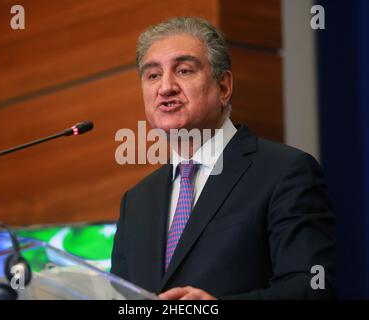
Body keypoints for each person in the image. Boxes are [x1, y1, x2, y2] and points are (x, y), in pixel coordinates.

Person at [111, 17, 335, 300]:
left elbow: (313, 288)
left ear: (224, 87)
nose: (165, 87)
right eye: (152, 75)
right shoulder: (136, 201)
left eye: (183, 70)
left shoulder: (286, 172)